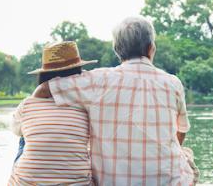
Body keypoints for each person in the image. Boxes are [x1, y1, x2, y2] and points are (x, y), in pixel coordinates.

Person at [33, 16, 199, 186]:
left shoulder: (96, 80)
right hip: (167, 181)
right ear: (151, 48)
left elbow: (44, 89)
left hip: (112, 182)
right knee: (186, 156)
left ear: (118, 50)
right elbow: (182, 129)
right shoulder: (172, 83)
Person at [9, 41, 98, 185]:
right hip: (79, 183)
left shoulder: (28, 104)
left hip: (27, 183)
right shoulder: (85, 105)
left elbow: (14, 128)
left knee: (23, 138)